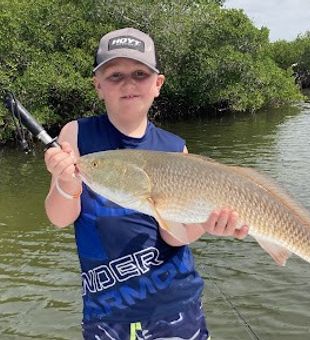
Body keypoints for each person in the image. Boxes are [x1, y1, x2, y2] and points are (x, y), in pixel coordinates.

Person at [44, 27, 248, 340]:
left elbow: (174, 235)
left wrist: (209, 224)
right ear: (97, 85)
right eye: (114, 75)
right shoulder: (76, 135)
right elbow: (60, 218)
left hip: (176, 307)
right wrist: (64, 182)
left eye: (140, 73)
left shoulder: (174, 147)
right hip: (107, 314)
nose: (128, 83)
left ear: (157, 84)